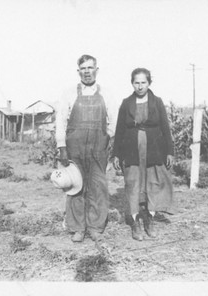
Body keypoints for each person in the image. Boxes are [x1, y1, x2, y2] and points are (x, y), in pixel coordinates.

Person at [55, 54, 117, 243]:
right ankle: (77, 228)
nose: (87, 72)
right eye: (83, 68)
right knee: (75, 187)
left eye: (90, 68)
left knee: (98, 187)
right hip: (75, 147)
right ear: (78, 71)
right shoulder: (68, 93)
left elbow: (114, 121)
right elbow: (60, 121)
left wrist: (109, 142)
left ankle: (96, 227)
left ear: (96, 70)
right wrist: (62, 146)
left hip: (99, 147)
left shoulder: (107, 93)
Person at [112, 68, 175, 241]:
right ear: (132, 83)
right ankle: (135, 223)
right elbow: (119, 130)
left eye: (143, 82)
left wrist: (170, 151)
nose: (140, 86)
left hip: (154, 147)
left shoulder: (157, 102)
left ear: (149, 83)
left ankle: (149, 219)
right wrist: (116, 154)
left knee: (153, 183)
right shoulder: (126, 103)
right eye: (136, 83)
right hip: (131, 148)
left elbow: (165, 127)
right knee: (133, 184)